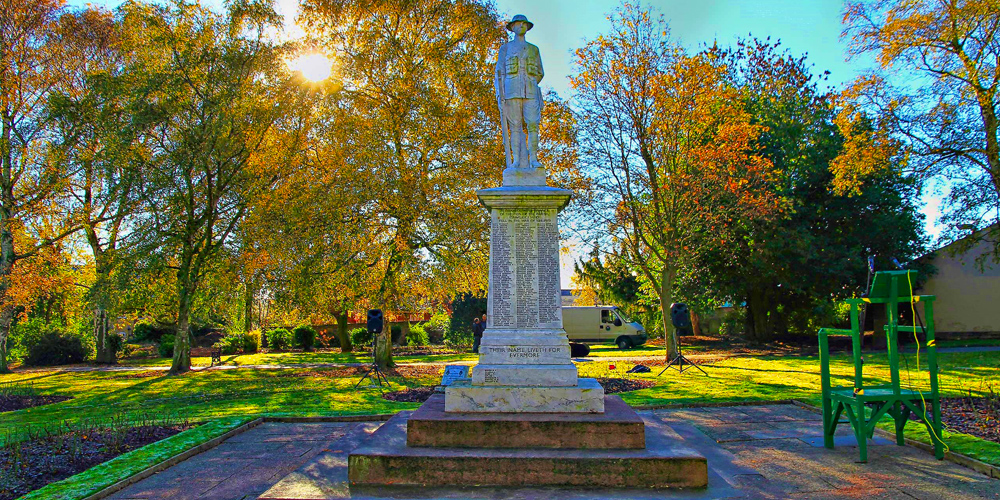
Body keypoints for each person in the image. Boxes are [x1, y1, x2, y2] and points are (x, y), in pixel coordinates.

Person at [495, 14, 543, 170]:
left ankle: (534, 160)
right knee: (515, 126)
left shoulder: (534, 49)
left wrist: (531, 80)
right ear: (512, 27)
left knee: (533, 124)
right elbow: (499, 73)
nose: (521, 26)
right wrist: (499, 94)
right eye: (518, 24)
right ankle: (516, 162)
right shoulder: (506, 48)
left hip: (530, 90)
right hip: (511, 90)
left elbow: (540, 72)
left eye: (524, 24)